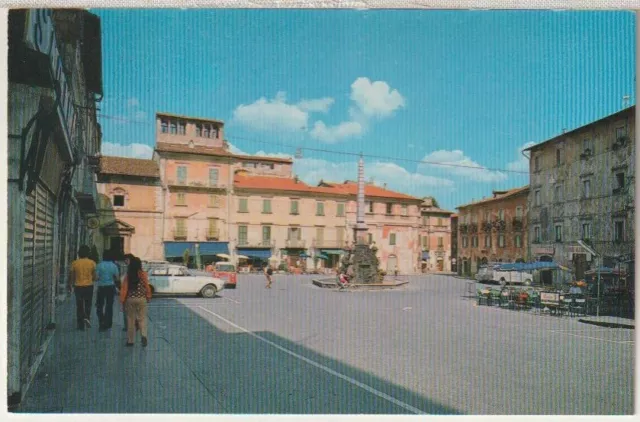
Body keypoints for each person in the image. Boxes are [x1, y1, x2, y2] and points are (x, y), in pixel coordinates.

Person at [119, 257, 152, 347]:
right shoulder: (143, 274)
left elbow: (124, 289)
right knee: (142, 318)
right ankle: (144, 335)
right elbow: (147, 286)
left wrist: (122, 301)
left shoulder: (128, 275)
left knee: (131, 320)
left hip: (130, 299)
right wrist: (148, 296)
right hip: (142, 299)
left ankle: (130, 341)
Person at [68, 245, 97, 330]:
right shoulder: (92, 263)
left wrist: (70, 285)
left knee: (79, 305)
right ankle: (87, 317)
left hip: (78, 287)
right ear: (88, 253)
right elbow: (94, 277)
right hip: (89, 286)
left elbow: (72, 276)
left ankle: (80, 325)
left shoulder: (75, 263)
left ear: (79, 253)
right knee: (88, 304)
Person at [95, 249, 120, 331]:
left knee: (99, 305)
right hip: (110, 287)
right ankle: (108, 323)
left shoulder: (99, 265)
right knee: (109, 305)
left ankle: (101, 321)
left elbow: (96, 278)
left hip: (101, 287)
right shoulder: (114, 266)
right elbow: (117, 277)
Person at [120, 254, 135, 331]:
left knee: (127, 311)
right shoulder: (129, 268)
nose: (125, 261)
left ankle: (128, 326)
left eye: (126, 260)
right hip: (130, 293)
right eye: (125, 260)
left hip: (128, 293)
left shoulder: (131, 270)